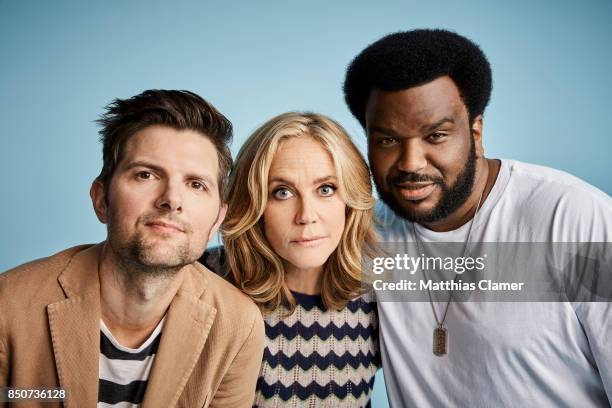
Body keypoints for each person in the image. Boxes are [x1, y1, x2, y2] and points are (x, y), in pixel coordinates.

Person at [343, 29, 612, 406]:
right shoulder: (366, 237)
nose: (410, 163)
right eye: (388, 140)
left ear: (476, 131)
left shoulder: (576, 220)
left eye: (435, 135)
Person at [0, 90, 265, 407]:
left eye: (196, 184)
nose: (171, 199)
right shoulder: (8, 305)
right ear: (101, 199)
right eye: (146, 174)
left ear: (217, 219)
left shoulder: (237, 325)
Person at [221, 112, 379, 407]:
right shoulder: (203, 280)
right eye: (282, 192)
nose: (306, 216)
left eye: (326, 189)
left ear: (350, 200)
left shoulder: (382, 297)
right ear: (254, 203)